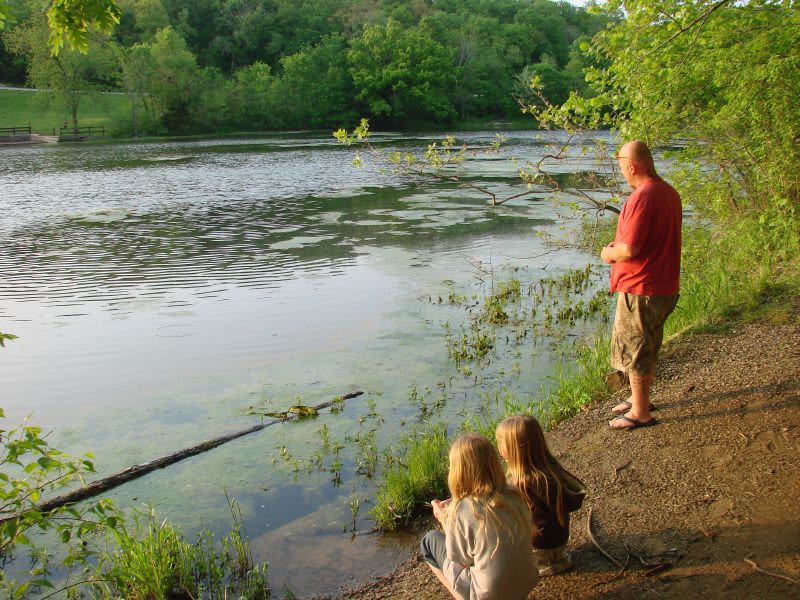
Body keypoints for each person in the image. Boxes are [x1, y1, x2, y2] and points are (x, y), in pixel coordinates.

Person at [601, 140, 682, 430]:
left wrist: (608, 252)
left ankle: (640, 413)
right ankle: (639, 400)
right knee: (647, 345)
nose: (622, 172)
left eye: (622, 166)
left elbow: (630, 249)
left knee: (636, 349)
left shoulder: (642, 198)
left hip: (642, 287)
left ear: (632, 166)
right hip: (663, 284)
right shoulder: (668, 192)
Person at [420, 433, 538, 600]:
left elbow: (460, 559)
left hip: (490, 595)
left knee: (428, 541)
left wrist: (445, 519)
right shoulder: (515, 495)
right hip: (527, 582)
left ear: (457, 471)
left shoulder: (462, 509)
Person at [496, 415, 586, 576]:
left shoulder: (518, 483)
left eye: (500, 444)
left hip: (537, 545)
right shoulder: (552, 472)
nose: (498, 448)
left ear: (511, 449)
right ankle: (555, 559)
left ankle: (539, 564)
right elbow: (574, 499)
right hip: (560, 540)